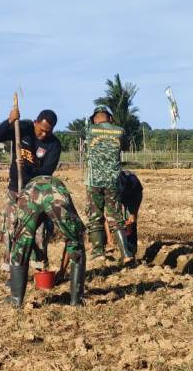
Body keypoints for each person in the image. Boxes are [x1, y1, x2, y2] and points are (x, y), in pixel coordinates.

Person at [0, 107, 61, 272]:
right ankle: (11, 271)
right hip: (15, 190)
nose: (43, 135)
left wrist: (29, 169)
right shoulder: (22, 128)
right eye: (41, 130)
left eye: (48, 132)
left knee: (39, 232)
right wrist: (9, 121)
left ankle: (40, 270)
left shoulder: (54, 145)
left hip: (36, 193)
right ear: (36, 122)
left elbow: (47, 171)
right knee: (10, 230)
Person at [7, 175, 85, 307]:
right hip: (55, 193)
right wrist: (62, 269)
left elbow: (21, 240)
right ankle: (76, 301)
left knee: (21, 243)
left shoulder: (29, 188)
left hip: (31, 194)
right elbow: (72, 240)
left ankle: (15, 299)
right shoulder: (58, 187)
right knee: (75, 239)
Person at [84, 105, 133, 264]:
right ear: (110, 117)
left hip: (94, 181)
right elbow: (125, 146)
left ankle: (99, 252)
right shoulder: (119, 131)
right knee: (116, 217)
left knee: (95, 216)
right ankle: (126, 254)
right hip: (113, 181)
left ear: (94, 118)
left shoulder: (90, 130)